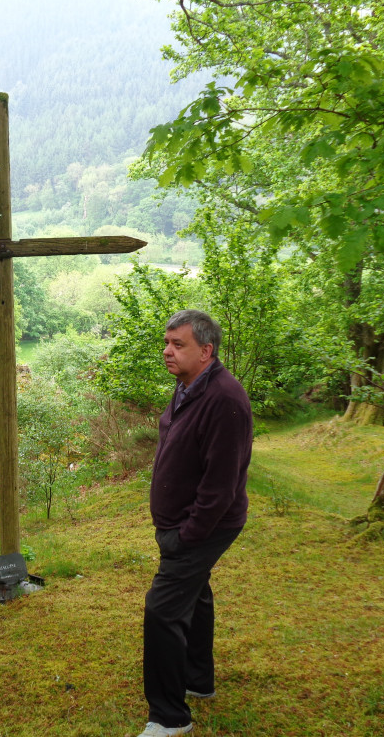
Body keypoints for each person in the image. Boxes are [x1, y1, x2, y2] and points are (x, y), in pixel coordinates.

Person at [136, 309, 253, 737]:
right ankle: (198, 680)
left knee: (163, 609)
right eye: (166, 343)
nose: (167, 352)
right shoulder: (189, 385)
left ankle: (169, 717)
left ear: (206, 351)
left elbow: (220, 486)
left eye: (178, 345)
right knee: (195, 594)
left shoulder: (224, 400)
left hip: (204, 525)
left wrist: (187, 537)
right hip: (182, 522)